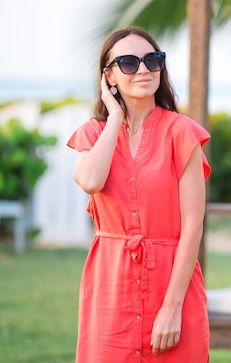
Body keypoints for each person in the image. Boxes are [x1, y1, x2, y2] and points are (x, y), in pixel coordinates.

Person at [67, 26, 211, 362]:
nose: (143, 69)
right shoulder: (94, 133)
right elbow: (90, 181)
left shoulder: (181, 132)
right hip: (110, 289)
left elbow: (193, 225)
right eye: (129, 62)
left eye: (152, 60)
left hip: (172, 285)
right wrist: (115, 115)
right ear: (109, 77)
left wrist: (172, 307)